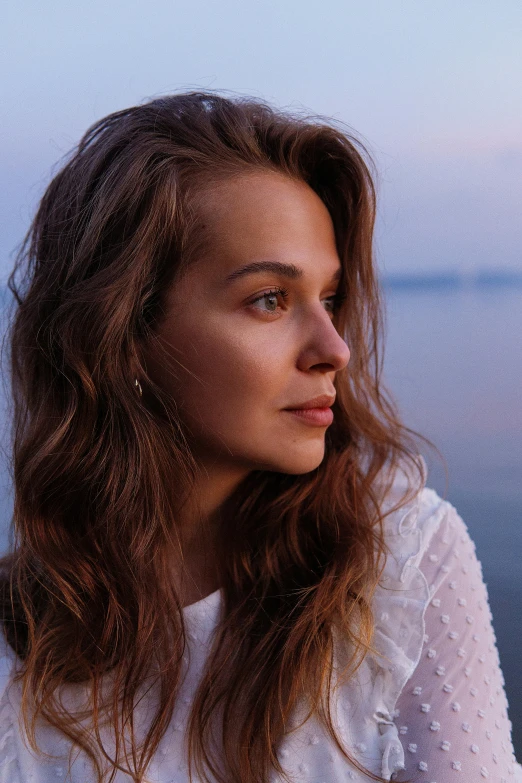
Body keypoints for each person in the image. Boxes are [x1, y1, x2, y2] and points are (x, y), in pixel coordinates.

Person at [0, 90, 519, 783]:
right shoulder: (21, 640)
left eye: (329, 298)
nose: (334, 347)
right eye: (270, 298)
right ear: (121, 339)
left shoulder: (399, 565)